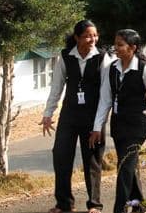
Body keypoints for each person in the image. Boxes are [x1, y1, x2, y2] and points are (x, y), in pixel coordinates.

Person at [42, 20, 114, 213]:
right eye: (88, 36)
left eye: (95, 35)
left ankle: (95, 205)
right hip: (69, 115)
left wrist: (99, 125)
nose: (93, 39)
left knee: (92, 159)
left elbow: (106, 93)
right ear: (77, 37)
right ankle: (64, 203)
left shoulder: (103, 57)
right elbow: (56, 88)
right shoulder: (65, 56)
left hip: (93, 117)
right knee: (61, 155)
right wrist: (48, 114)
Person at [90, 29, 146, 213]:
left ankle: (119, 209)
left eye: (120, 45)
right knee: (130, 167)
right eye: (115, 44)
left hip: (136, 128)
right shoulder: (111, 69)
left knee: (124, 168)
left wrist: (145, 115)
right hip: (118, 127)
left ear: (133, 48)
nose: (116, 48)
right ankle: (139, 206)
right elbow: (105, 100)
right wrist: (97, 126)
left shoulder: (145, 70)